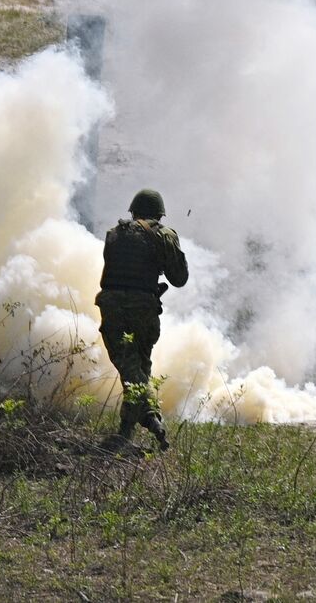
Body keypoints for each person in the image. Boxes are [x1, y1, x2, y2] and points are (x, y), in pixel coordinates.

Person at [97, 189, 188, 452]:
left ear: (133, 211)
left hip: (112, 307)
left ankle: (128, 431)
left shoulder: (115, 234)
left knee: (131, 369)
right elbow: (179, 278)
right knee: (138, 369)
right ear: (159, 214)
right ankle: (150, 418)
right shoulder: (164, 234)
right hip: (143, 310)